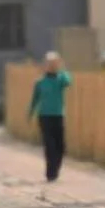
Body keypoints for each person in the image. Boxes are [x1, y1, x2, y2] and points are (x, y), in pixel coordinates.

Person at [28, 50, 73, 181]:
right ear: (45, 65)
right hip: (45, 116)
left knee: (61, 146)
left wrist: (61, 68)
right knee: (49, 145)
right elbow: (35, 99)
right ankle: (50, 173)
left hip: (58, 115)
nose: (52, 66)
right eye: (49, 63)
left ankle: (56, 168)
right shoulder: (40, 82)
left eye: (54, 63)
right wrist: (30, 113)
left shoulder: (60, 79)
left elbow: (68, 81)